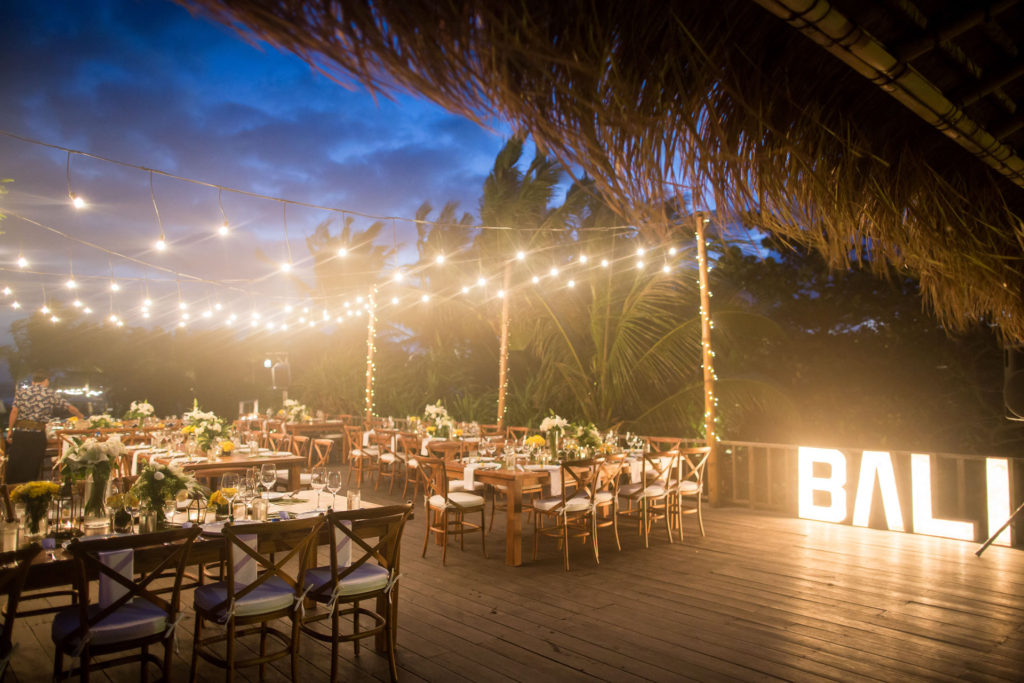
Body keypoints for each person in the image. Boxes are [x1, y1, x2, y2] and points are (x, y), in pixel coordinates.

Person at [5, 370, 84, 484]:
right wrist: (80, 416)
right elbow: (69, 407)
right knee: (32, 464)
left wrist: (10, 430)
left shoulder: (21, 392)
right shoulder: (49, 393)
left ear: (33, 382)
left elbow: (14, 411)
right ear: (46, 381)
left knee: (17, 462)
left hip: (20, 434)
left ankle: (11, 491)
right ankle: (30, 491)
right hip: (37, 435)